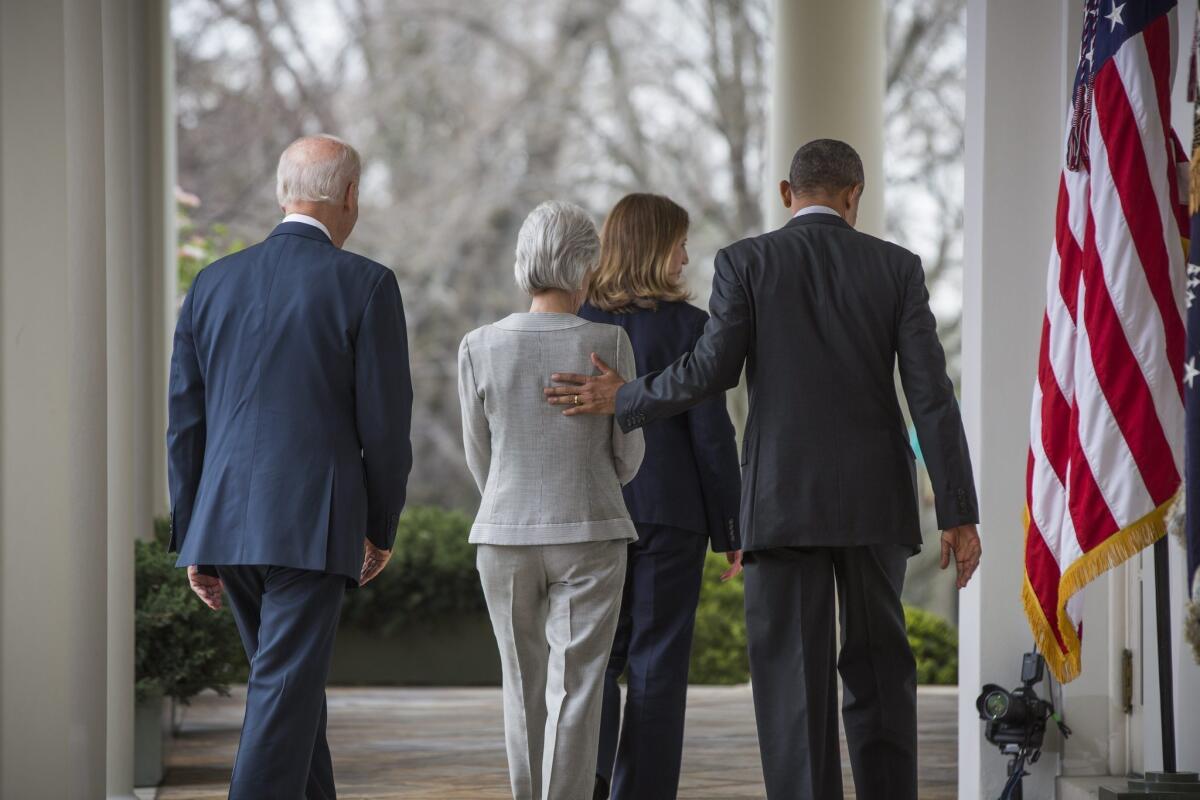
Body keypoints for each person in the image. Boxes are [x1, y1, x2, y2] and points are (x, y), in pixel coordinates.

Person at [546, 139, 982, 800]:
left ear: (787, 193)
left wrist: (626, 397)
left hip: (780, 504)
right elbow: (931, 396)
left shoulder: (746, 261)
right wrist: (957, 510)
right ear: (853, 196)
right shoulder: (897, 267)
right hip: (875, 504)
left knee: (791, 685)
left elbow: (709, 371)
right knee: (881, 671)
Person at [167, 134, 413, 799]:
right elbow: (386, 429)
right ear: (352, 197)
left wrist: (195, 535)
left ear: (283, 191)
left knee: (288, 692)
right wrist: (381, 527)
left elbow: (185, 423)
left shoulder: (211, 284)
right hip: (313, 525)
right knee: (283, 694)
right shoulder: (367, 285)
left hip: (226, 525)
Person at [458, 201, 645, 800]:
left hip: (503, 530)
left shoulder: (477, 346)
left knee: (521, 684)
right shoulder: (610, 342)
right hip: (591, 529)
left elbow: (478, 456)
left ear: (523, 263)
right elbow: (628, 458)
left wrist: (512, 495)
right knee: (579, 688)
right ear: (587, 267)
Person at [578, 193, 742, 800]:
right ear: (654, 247)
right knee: (658, 667)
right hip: (672, 517)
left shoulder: (578, 318)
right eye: (678, 241)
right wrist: (732, 529)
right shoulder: (692, 328)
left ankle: (588, 782)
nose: (685, 254)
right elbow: (712, 437)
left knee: (594, 661)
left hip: (594, 514)